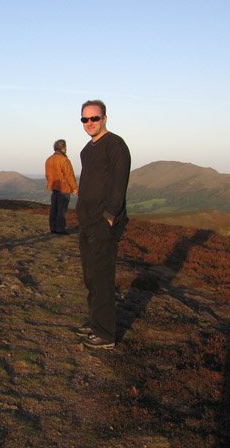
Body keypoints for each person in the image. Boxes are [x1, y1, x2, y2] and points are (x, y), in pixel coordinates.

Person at [75, 100, 131, 349]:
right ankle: (95, 323)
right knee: (90, 276)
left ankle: (106, 334)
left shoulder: (115, 145)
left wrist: (110, 215)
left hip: (103, 221)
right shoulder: (87, 150)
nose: (89, 123)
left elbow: (120, 182)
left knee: (103, 276)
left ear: (105, 118)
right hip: (86, 220)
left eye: (94, 118)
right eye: (85, 119)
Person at [45, 139, 78, 234]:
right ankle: (60, 229)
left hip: (54, 188)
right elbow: (69, 175)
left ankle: (53, 228)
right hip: (64, 188)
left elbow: (47, 175)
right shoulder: (64, 160)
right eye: (65, 147)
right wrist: (75, 188)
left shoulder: (49, 159)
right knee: (61, 210)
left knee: (53, 209)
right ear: (63, 148)